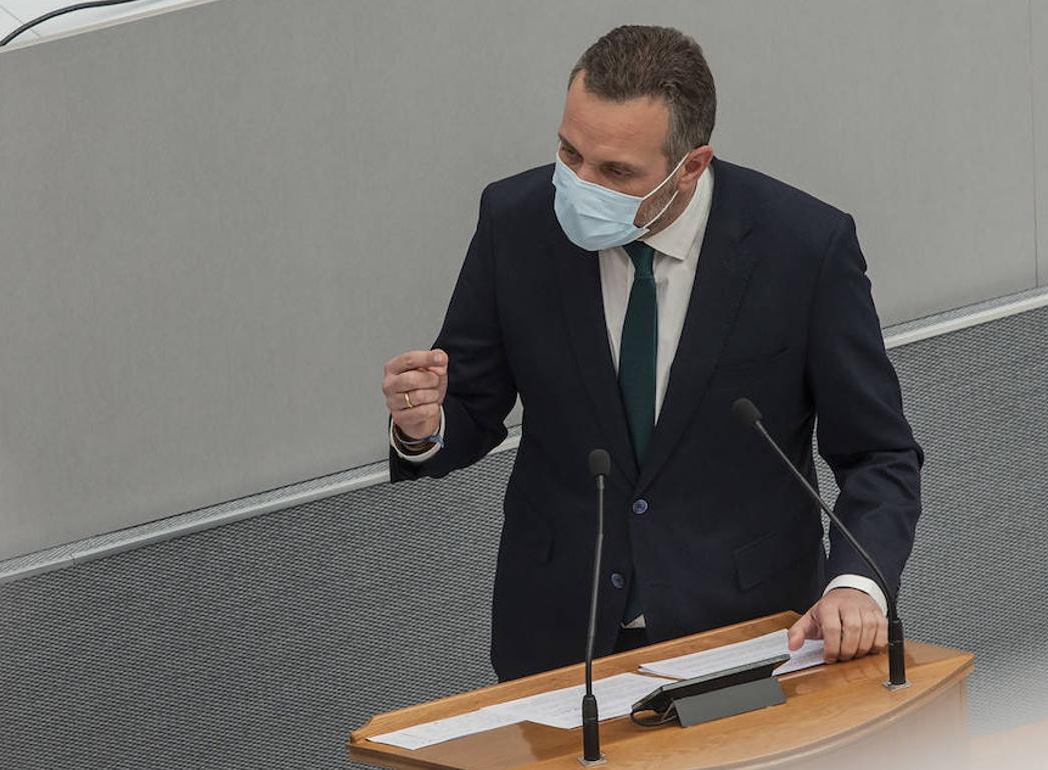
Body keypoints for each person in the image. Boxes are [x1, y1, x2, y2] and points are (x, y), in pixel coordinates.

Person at [382, 25, 924, 682]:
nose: (580, 184)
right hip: (561, 634)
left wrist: (856, 585)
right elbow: (469, 405)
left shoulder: (803, 248)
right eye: (569, 153)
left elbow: (879, 455)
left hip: (747, 632)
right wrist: (424, 427)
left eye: (615, 172)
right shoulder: (516, 221)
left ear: (690, 167)